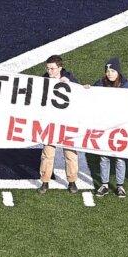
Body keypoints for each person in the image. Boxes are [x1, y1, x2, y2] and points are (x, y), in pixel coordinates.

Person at [37, 55, 80, 194]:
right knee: (47, 153)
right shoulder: (43, 80)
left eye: (52, 68)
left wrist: (70, 84)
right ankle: (45, 181)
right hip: (50, 122)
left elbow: (82, 94)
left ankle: (72, 181)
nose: (49, 71)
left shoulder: (69, 78)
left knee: (70, 153)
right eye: (48, 68)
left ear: (60, 68)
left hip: (67, 122)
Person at [92, 58, 128, 197]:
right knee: (104, 156)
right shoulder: (100, 83)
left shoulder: (127, 85)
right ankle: (104, 185)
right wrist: (87, 90)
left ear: (118, 71)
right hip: (105, 126)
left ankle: (120, 186)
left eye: (112, 70)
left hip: (121, 127)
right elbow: (89, 97)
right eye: (107, 71)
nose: (109, 73)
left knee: (120, 157)